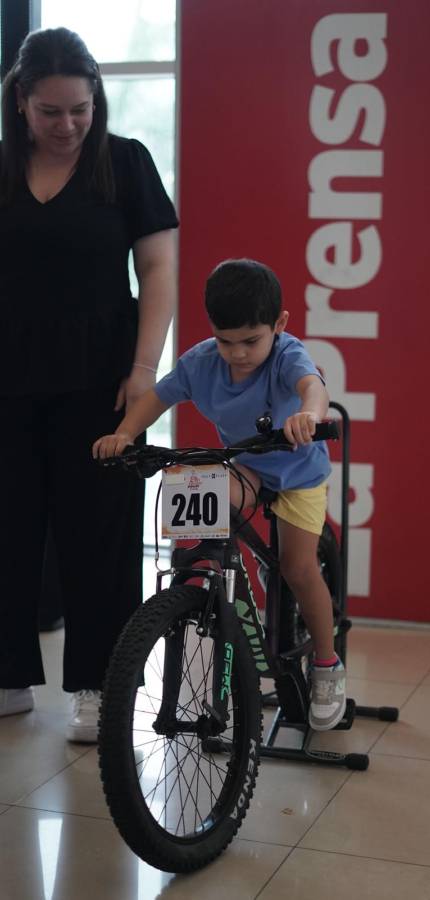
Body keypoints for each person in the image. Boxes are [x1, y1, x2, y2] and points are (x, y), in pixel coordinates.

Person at [0, 27, 178, 742]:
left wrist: (143, 371)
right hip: (8, 377)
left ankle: (97, 689)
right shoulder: (3, 170)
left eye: (80, 108)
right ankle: (9, 677)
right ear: (21, 103)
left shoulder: (124, 163)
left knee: (97, 533)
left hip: (102, 379)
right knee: (8, 527)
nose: (68, 124)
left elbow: (159, 268)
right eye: (52, 111)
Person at [93, 258, 347, 732]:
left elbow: (312, 387)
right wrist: (125, 432)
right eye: (225, 340)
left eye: (251, 341)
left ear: (280, 325)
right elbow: (157, 397)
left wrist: (308, 417)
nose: (238, 354)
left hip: (297, 472)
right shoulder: (202, 361)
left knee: (297, 567)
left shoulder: (286, 354)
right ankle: (210, 586)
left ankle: (328, 665)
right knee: (201, 491)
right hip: (248, 464)